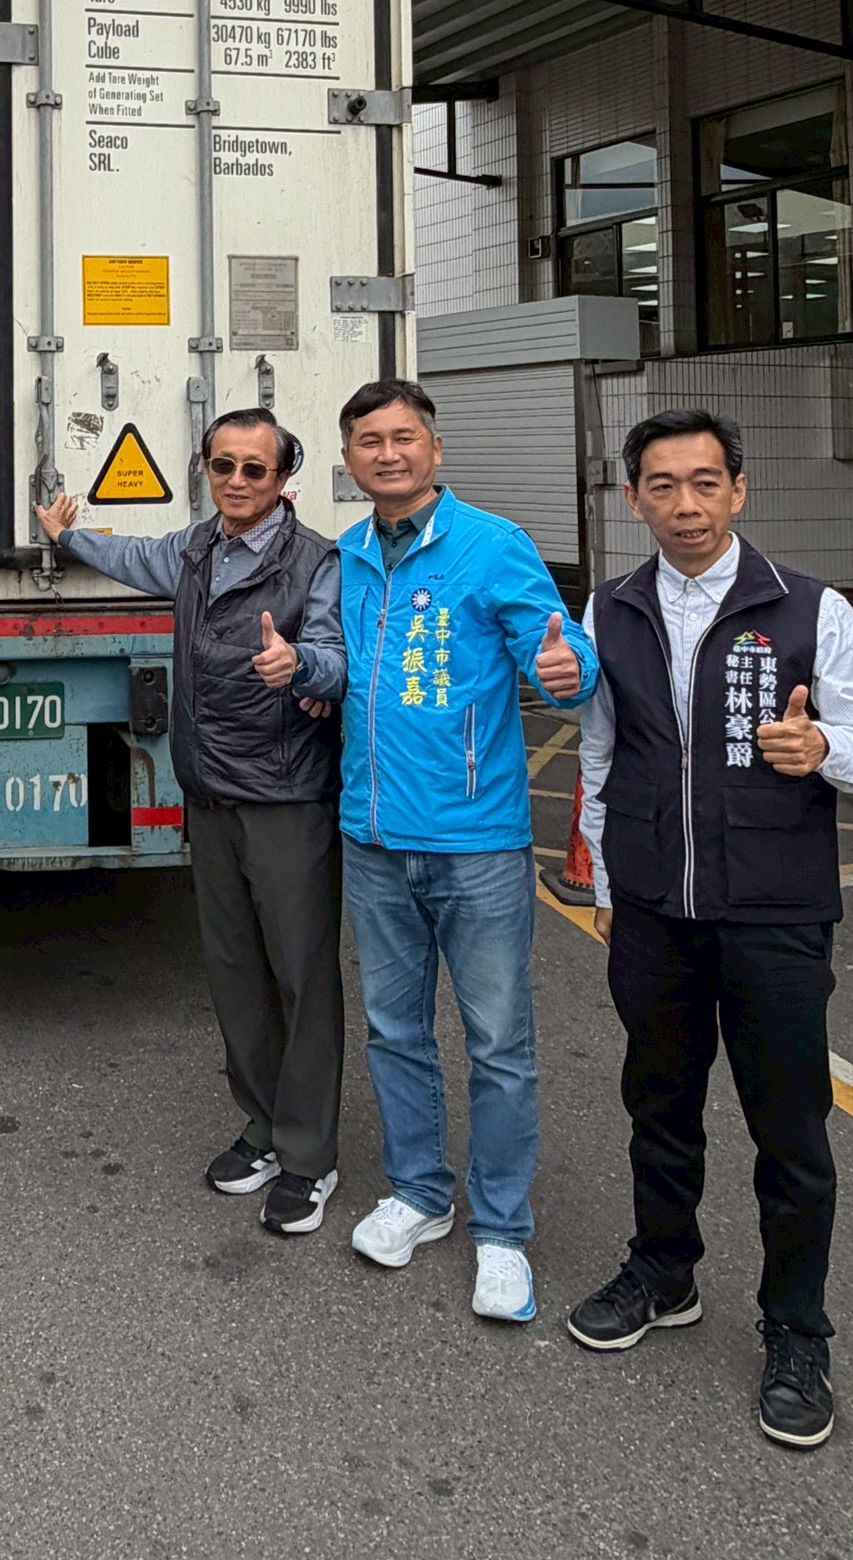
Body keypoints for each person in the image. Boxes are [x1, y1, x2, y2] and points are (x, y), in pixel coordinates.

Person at [566, 407, 853, 1448]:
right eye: (663, 486)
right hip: (652, 911)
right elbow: (600, 750)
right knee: (659, 1106)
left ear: (739, 490)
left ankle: (796, 1331)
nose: (686, 505)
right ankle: (662, 1273)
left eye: (705, 482)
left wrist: (825, 751)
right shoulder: (611, 608)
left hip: (774, 913)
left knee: (789, 1130)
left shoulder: (807, 608)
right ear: (633, 501)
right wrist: (604, 877)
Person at [35, 407, 348, 1234]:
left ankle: (310, 1155)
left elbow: (335, 655)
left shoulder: (317, 561)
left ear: (283, 477)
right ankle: (263, 1125)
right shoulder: (195, 548)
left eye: (255, 468)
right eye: (223, 465)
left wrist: (301, 664)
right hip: (208, 790)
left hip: (284, 796)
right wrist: (69, 538)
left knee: (301, 977)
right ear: (206, 470)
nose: (237, 481)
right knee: (234, 969)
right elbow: (131, 555)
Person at [335, 377, 597, 1323]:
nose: (389, 453)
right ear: (350, 459)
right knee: (394, 1030)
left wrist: (568, 669)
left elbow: (559, 654)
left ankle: (502, 1231)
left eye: (404, 437)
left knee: (498, 1044)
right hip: (372, 839)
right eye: (370, 440)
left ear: (435, 450)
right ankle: (419, 1193)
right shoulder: (346, 555)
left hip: (476, 844)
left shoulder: (493, 544)